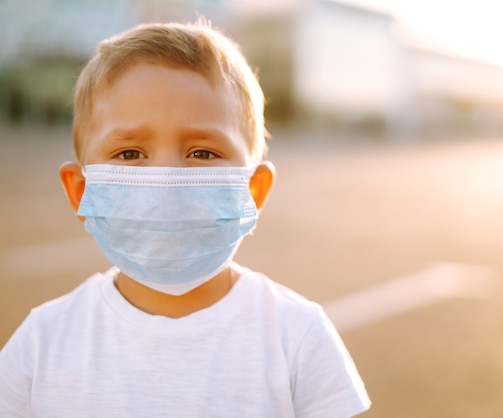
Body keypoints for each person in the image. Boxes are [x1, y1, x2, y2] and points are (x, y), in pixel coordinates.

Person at [0, 20, 371, 417]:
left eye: (202, 153)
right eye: (130, 154)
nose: (167, 182)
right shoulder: (42, 342)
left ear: (254, 191)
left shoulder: (298, 335)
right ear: (80, 191)